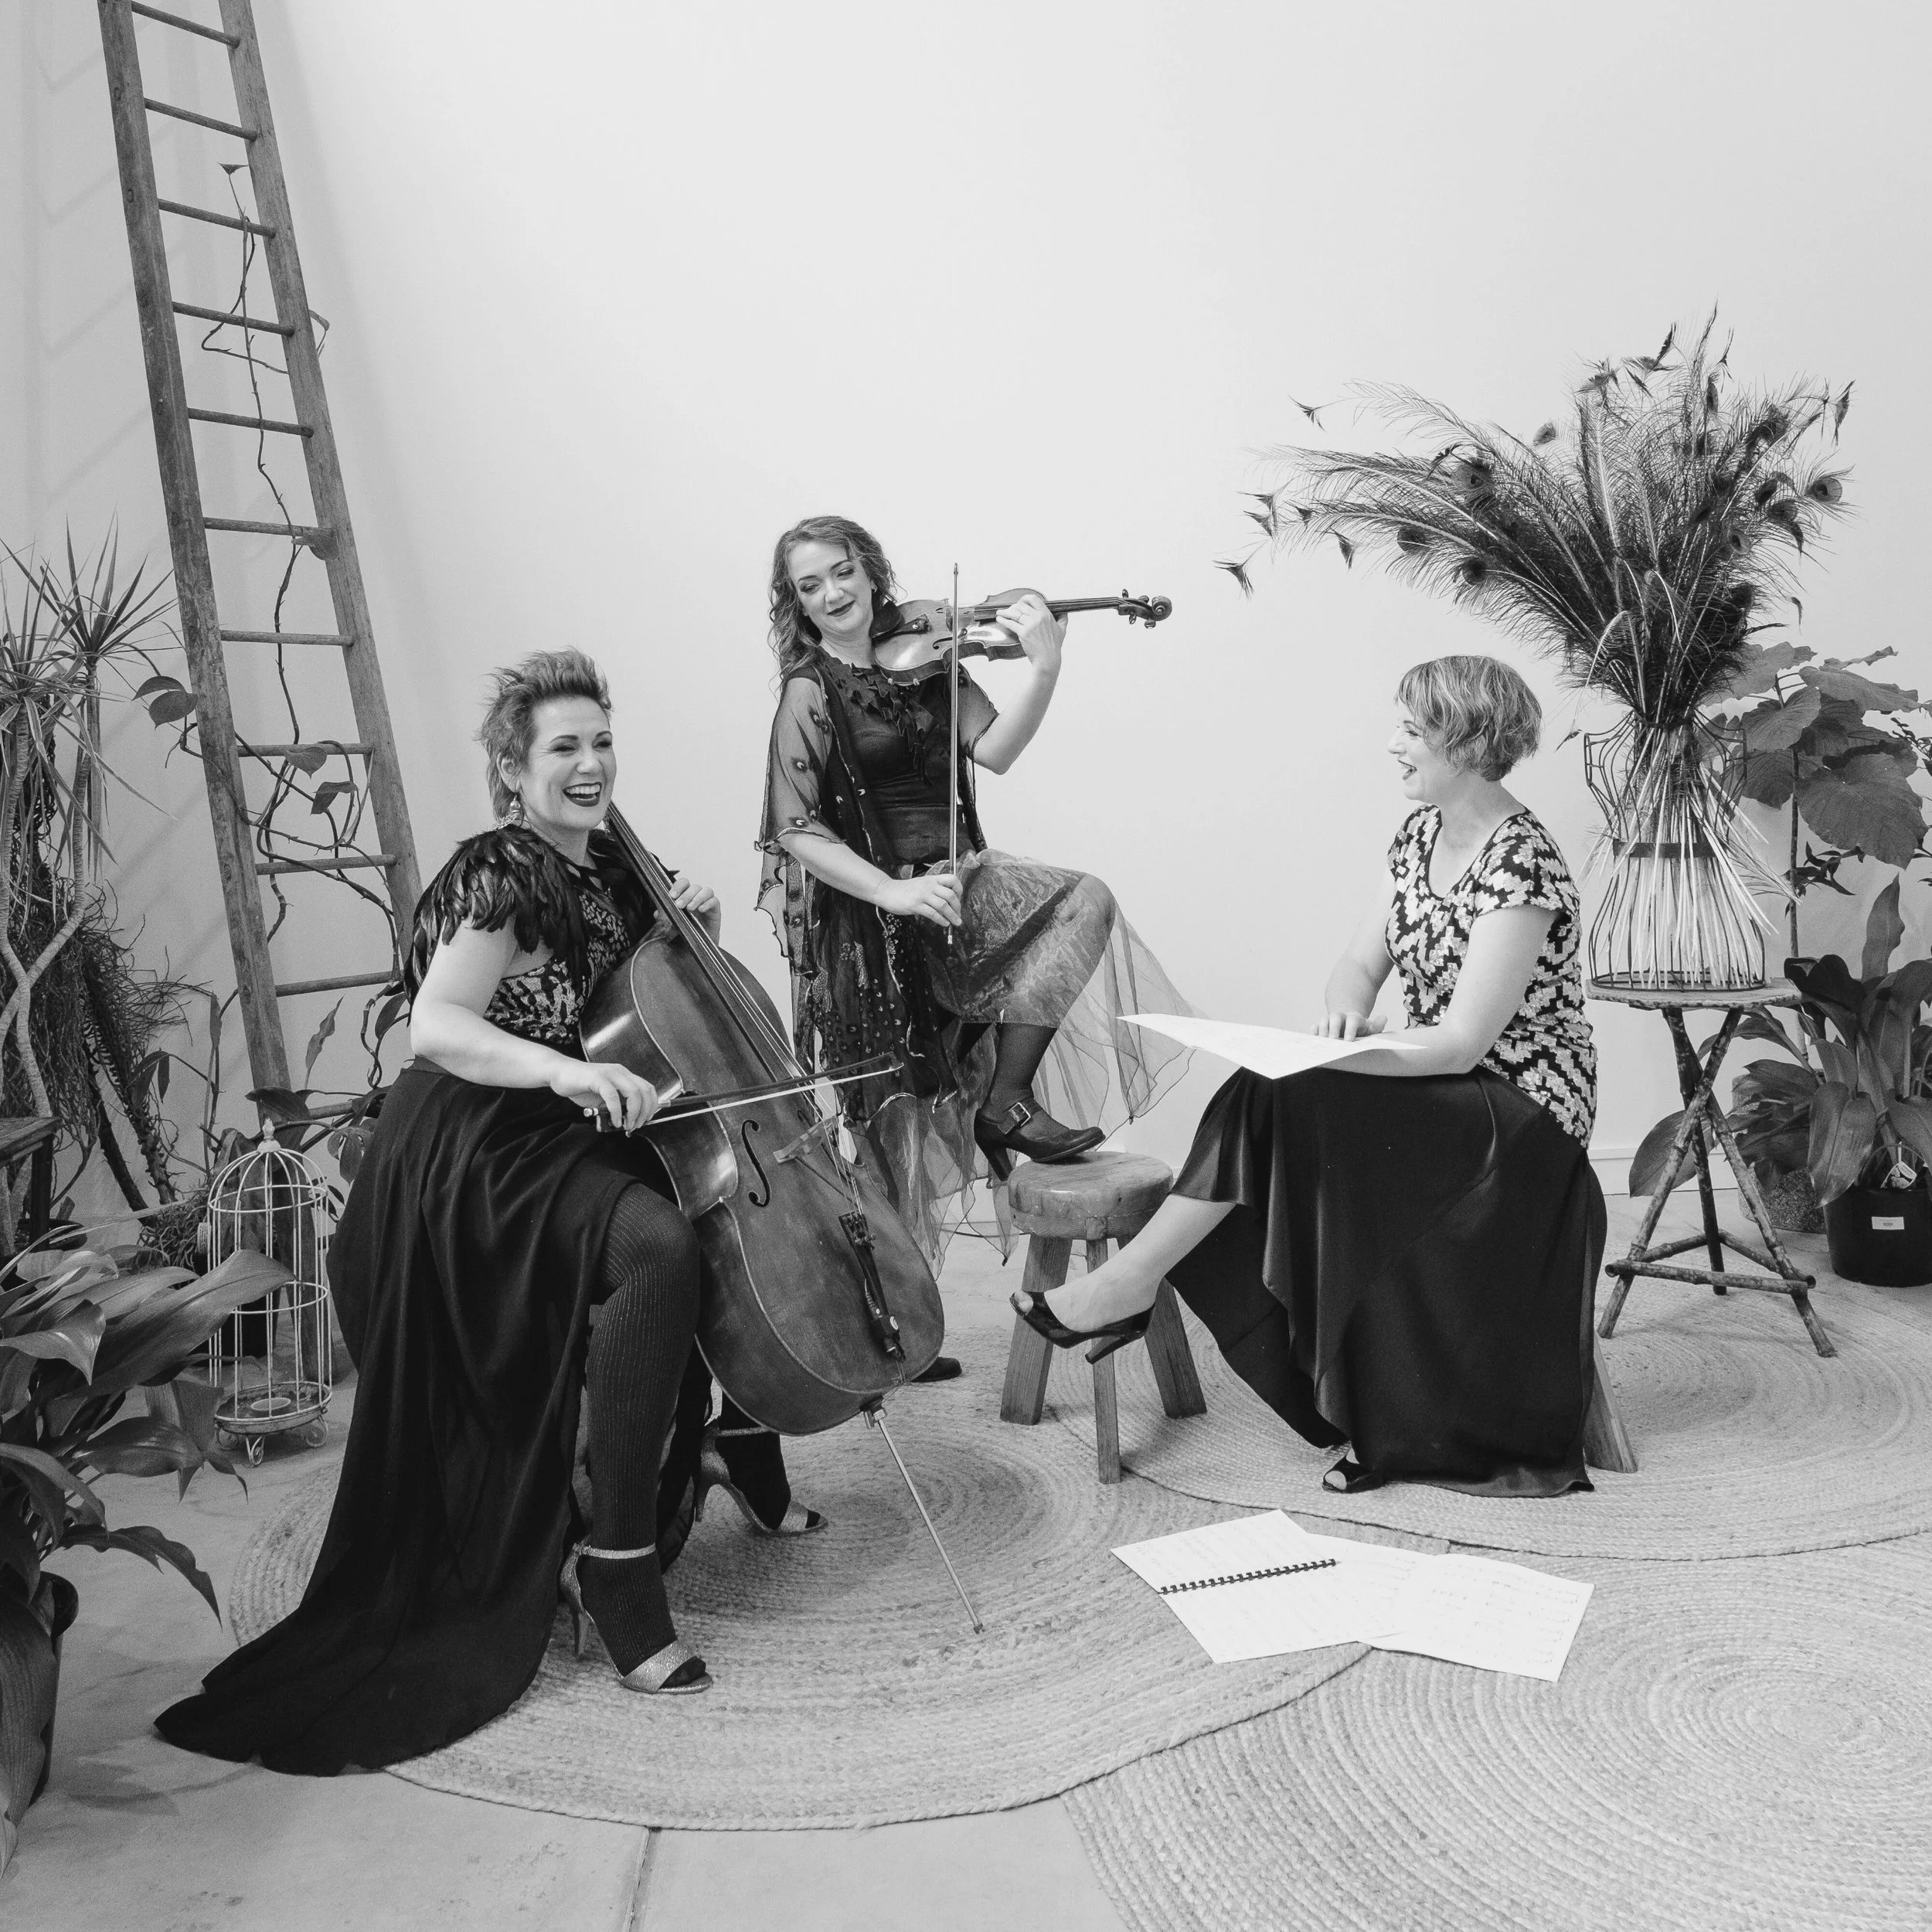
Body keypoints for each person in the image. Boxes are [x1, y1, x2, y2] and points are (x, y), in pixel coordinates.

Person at [158, 651, 819, 1774]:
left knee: (709, 1214)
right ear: (512, 770)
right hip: (469, 1151)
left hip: (566, 1135)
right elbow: (437, 1029)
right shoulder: (498, 877)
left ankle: (730, 1444)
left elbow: (645, 1003)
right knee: (657, 1247)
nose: (590, 763)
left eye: (600, 742)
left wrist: (682, 920)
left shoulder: (613, 861)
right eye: (563, 747)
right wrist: (564, 1075)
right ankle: (615, 1567)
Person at [1017, 655, 1603, 1496]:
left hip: (1522, 1110)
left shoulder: (1523, 862)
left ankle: (1128, 1283)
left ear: (1468, 741)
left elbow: (1466, 1044)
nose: (1392, 745)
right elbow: (1356, 968)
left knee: (1287, 1090)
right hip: (1437, 1079)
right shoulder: (1418, 835)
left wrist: (1341, 1061)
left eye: (1412, 729)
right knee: (1277, 1089)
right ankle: (1138, 1287)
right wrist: (1340, 1018)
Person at [759, 515, 1189, 1267]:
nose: (831, 592)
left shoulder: (929, 654)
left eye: (841, 571)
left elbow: (994, 752)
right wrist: (890, 894)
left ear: (868, 569)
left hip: (962, 885)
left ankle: (1006, 1100)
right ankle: (904, 1318)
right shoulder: (810, 692)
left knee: (1084, 900)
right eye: (809, 584)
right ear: (795, 601)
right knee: (898, 1132)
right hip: (872, 920)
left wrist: (1045, 671)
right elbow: (794, 827)